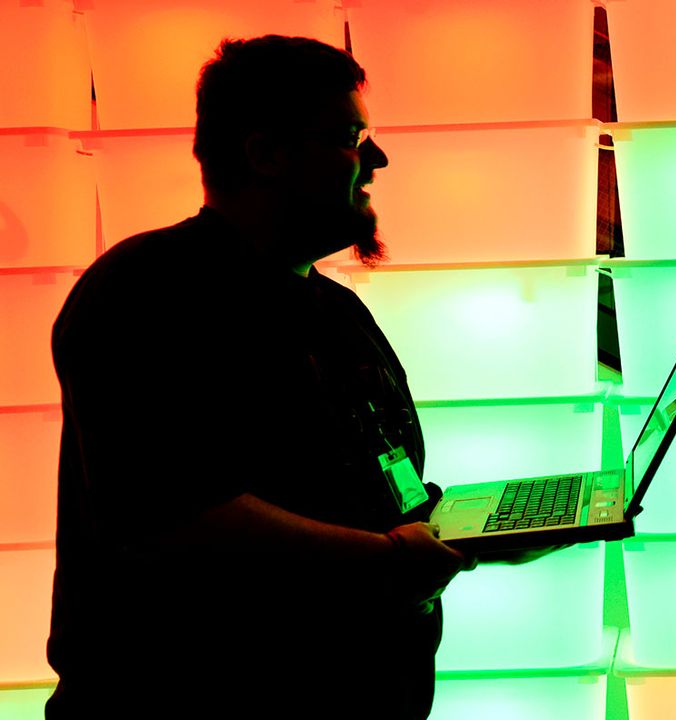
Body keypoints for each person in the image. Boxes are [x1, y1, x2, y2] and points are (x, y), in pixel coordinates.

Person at [48, 36, 474, 719]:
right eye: (348, 136)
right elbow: (173, 515)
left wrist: (471, 534)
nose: (377, 159)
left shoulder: (333, 309)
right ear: (266, 153)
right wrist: (391, 561)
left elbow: (371, 487)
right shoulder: (143, 293)